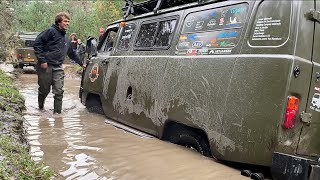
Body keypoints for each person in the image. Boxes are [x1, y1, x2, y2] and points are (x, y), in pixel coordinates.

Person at [34, 12, 85, 114]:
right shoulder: (50, 31)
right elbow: (37, 43)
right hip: (46, 66)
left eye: (68, 21)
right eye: (65, 21)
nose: (67, 23)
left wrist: (82, 63)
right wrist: (42, 60)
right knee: (44, 90)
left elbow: (72, 53)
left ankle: (57, 115)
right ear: (58, 22)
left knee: (59, 91)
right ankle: (40, 107)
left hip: (58, 67)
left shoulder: (66, 38)